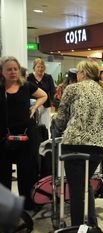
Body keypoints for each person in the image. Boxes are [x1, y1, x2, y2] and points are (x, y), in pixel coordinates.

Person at [53, 60, 103, 226]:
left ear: (83, 73)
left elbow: (61, 119)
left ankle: (77, 227)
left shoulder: (73, 88)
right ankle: (91, 224)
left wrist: (57, 126)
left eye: (78, 72)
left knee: (77, 191)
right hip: (98, 147)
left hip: (74, 144)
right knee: (85, 185)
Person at [0, 56, 47, 210]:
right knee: (3, 175)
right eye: (9, 69)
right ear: (2, 72)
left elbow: (44, 95)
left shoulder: (26, 85)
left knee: (27, 173)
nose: (13, 72)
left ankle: (28, 206)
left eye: (15, 69)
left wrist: (34, 108)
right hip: (3, 137)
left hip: (27, 136)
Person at [27, 58, 55, 132]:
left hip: (45, 105)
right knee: (33, 126)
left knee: (45, 126)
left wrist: (53, 102)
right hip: (32, 105)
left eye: (42, 67)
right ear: (34, 67)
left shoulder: (48, 77)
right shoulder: (29, 77)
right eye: (38, 67)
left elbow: (52, 91)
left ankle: (44, 142)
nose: (40, 69)